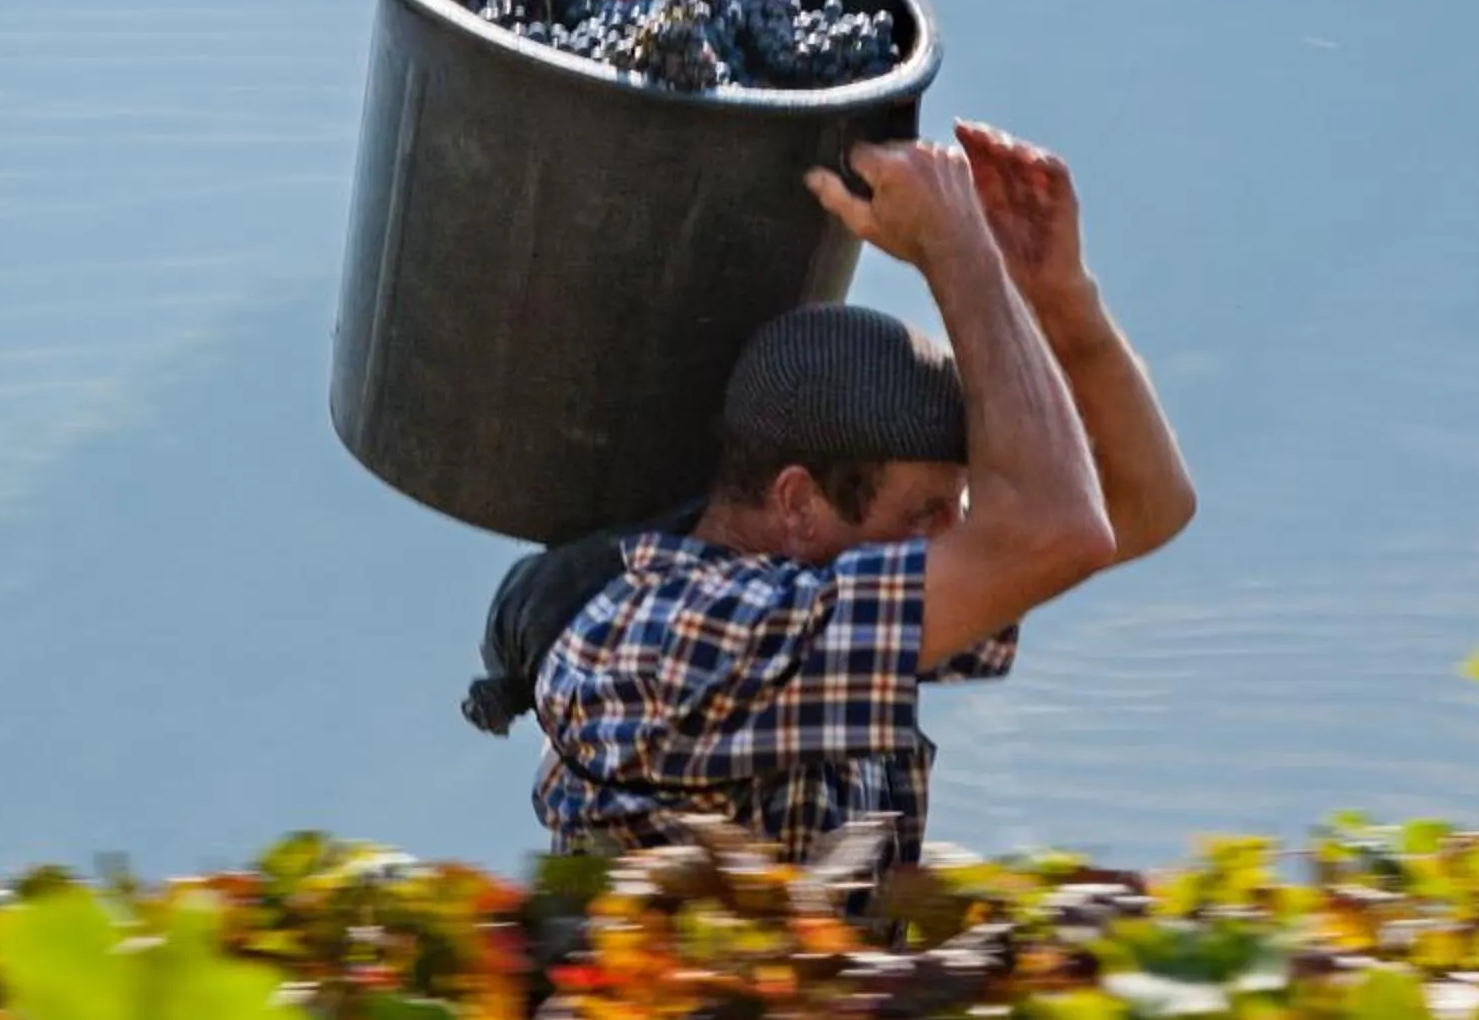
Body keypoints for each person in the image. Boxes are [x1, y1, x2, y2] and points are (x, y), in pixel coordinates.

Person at [463, 120, 1195, 876]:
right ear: (798, 503)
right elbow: (1060, 531)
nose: (953, 534)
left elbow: (1141, 507)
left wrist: (1058, 299)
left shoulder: (817, 602)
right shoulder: (680, 635)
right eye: (923, 513)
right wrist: (960, 254)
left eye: (958, 505)